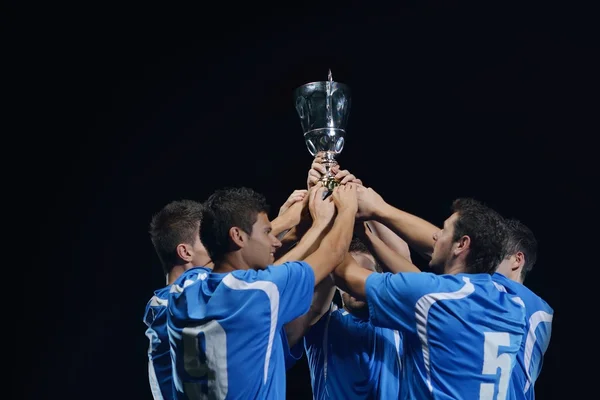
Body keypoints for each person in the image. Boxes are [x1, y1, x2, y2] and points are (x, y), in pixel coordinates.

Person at [167, 184, 358, 399]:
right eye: (267, 232)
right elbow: (333, 252)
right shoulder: (259, 293)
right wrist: (345, 209)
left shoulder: (181, 290)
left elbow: (243, 274)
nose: (275, 240)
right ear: (238, 236)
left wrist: (297, 229)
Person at [334, 189, 527, 399]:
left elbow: (347, 276)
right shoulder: (513, 304)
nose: (435, 235)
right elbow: (418, 283)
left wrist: (343, 213)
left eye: (443, 230)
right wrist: (367, 231)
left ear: (462, 244)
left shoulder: (435, 298)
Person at [304, 237, 404, 399]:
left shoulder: (398, 320)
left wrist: (367, 216)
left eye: (366, 274)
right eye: (348, 275)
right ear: (335, 283)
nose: (356, 281)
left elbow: (401, 255)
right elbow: (316, 266)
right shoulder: (321, 323)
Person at [143, 200, 212, 400]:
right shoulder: (178, 300)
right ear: (185, 252)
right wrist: (286, 223)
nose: (219, 244)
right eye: (209, 238)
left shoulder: (169, 303)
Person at [493, 219, 553, 399]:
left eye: (492, 257)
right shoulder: (538, 309)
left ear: (517, 260)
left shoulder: (516, 298)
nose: (483, 264)